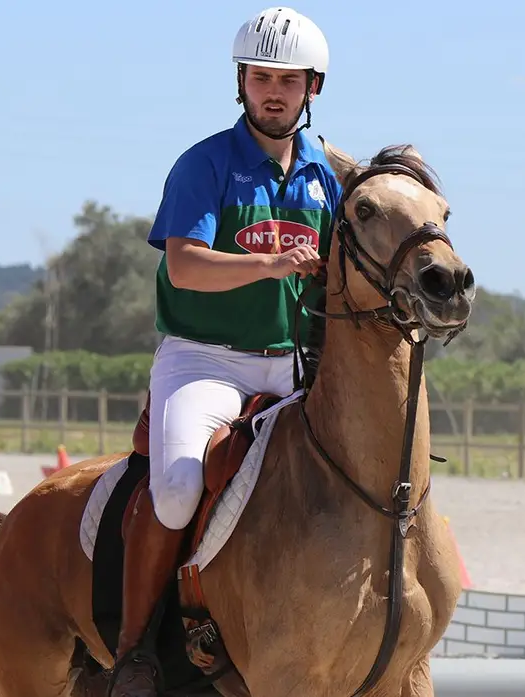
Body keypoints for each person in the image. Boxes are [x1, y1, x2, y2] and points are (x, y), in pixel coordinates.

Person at [108, 7, 342, 697]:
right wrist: (272, 267)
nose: (274, 91)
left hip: (293, 364)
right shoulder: (203, 164)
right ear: (240, 82)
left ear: (312, 89)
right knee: (178, 488)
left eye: (289, 80)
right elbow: (183, 266)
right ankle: (134, 649)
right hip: (204, 359)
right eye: (261, 77)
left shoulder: (326, 174)